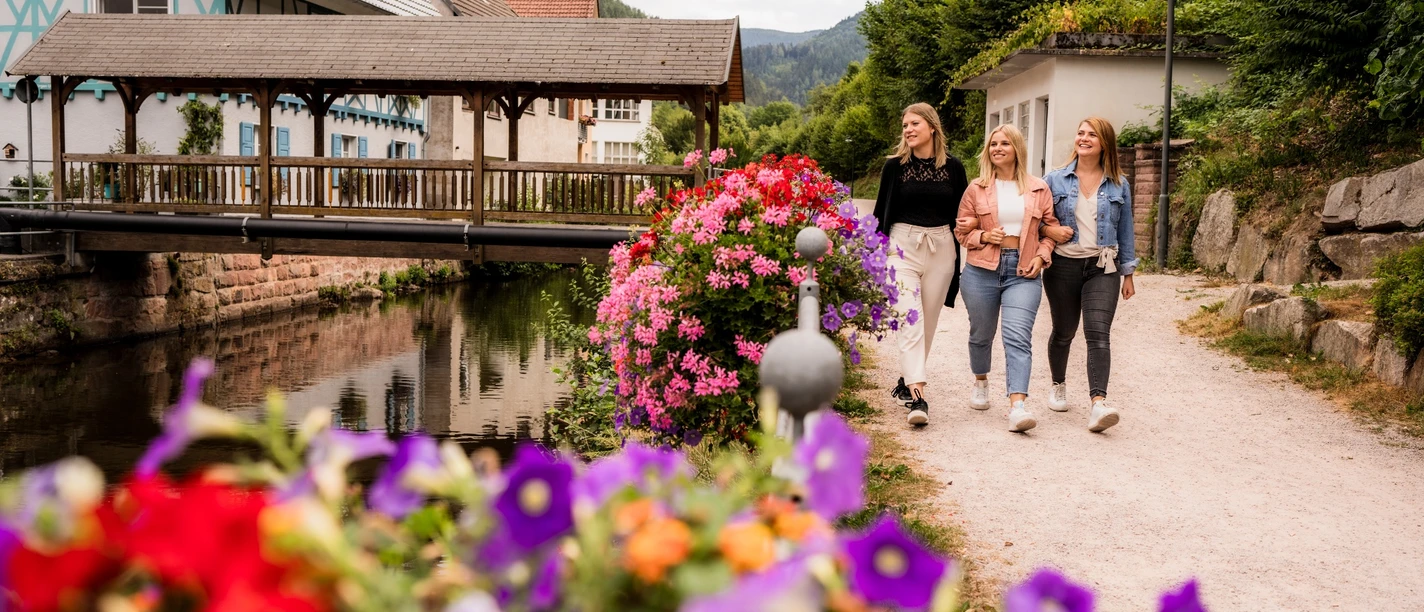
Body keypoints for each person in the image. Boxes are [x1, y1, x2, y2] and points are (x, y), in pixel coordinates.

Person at [953, 124, 1060, 433]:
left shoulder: (1038, 188)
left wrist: (1041, 256)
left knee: (1017, 337)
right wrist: (985, 234)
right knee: (981, 335)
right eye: (993, 144)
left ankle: (1018, 406)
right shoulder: (976, 188)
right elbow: (962, 231)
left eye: (1004, 143)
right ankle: (981, 380)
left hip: (1023, 271)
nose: (997, 148)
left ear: (1017, 149)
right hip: (981, 270)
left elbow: (1049, 230)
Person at [872, 103, 969, 427]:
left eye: (914, 123)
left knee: (927, 322)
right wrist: (873, 256)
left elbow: (962, 214)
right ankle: (918, 397)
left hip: (942, 248)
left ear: (932, 127)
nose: (908, 129)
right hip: (902, 247)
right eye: (904, 125)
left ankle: (906, 381)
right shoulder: (894, 167)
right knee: (908, 318)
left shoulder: (954, 168)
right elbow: (879, 215)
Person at [1040, 117, 1137, 433]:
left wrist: (1128, 274)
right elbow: (1037, 220)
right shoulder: (1054, 180)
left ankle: (1098, 404)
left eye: (1091, 134)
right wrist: (1048, 229)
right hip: (1063, 266)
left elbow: (1125, 230)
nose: (1083, 138)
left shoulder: (1119, 184)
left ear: (1104, 143)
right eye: (1080, 133)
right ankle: (1058, 384)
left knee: (1098, 332)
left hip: (1102, 267)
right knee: (1064, 331)